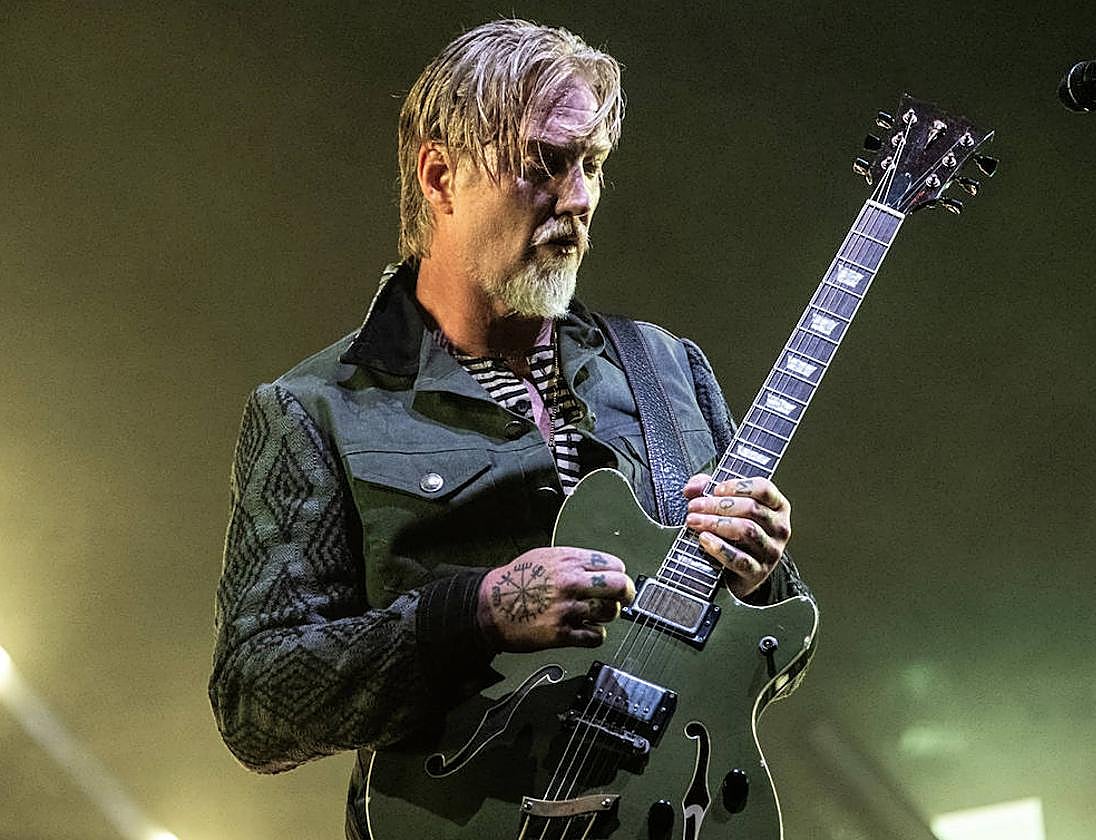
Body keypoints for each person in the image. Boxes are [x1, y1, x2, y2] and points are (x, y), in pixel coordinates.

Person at [208, 18, 811, 839]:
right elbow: (255, 703)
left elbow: (777, 632)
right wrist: (479, 611)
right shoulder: (316, 407)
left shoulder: (668, 370)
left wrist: (760, 569)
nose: (580, 197)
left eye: (592, 164)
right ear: (439, 175)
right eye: (546, 163)